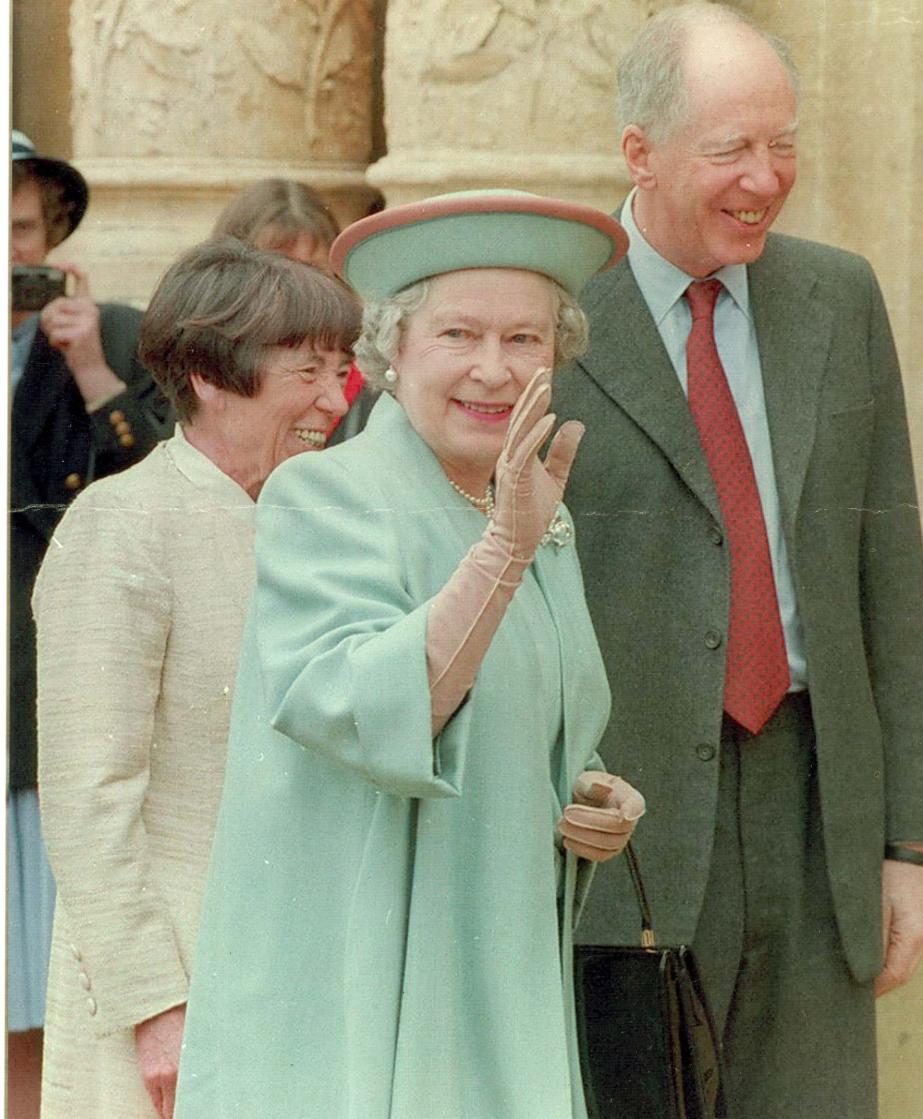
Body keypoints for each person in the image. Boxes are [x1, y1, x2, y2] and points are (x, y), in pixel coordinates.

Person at [173, 191, 644, 1119]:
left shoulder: (537, 515)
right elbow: (371, 709)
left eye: (526, 341)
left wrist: (589, 790)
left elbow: (528, 718)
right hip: (359, 985)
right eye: (458, 334)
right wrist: (504, 551)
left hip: (497, 961)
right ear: (390, 353)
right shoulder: (324, 495)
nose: (494, 370)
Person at [550, 6, 923, 1118]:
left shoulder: (839, 296)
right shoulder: (549, 309)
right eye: (730, 149)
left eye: (783, 143)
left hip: (816, 810)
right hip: (620, 829)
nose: (765, 178)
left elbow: (887, 579)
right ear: (640, 151)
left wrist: (906, 843)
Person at [33, 238, 359, 1119]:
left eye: (343, 370)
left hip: (311, 953)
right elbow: (88, 797)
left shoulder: (327, 521)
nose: (335, 400)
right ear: (213, 377)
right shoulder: (123, 525)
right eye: (309, 373)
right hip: (172, 972)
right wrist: (156, 1008)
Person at [8, 130, 172, 1119]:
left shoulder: (109, 336)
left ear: (55, 238)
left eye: (19, 231)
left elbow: (162, 488)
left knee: (40, 988)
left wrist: (91, 373)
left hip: (40, 706)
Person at [212, 177, 376, 446]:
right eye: (277, 271)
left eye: (312, 271)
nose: (298, 291)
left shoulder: (370, 378)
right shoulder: (205, 372)